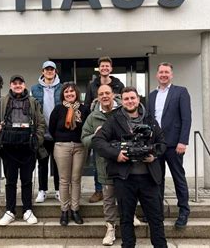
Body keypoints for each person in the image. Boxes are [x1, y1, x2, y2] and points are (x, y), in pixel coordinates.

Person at [93, 87, 167, 248]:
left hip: (149, 178)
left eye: (132, 98)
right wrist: (116, 154)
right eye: (126, 99)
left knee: (156, 218)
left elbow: (162, 143)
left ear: (138, 99)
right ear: (122, 101)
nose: (130, 101)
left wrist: (153, 154)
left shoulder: (150, 120)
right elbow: (98, 142)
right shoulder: (114, 120)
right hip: (125, 178)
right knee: (126, 218)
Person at [81, 85, 141, 246]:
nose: (105, 96)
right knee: (108, 198)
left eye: (107, 93)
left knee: (128, 193)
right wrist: (96, 135)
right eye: (101, 94)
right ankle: (110, 228)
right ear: (97, 97)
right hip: (104, 163)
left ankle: (131, 215)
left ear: (113, 94)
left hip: (125, 161)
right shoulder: (93, 117)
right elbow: (84, 139)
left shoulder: (124, 111)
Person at [0, 75, 46, 226]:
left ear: (24, 84)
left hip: (27, 147)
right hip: (8, 147)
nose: (17, 85)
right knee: (10, 181)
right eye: (14, 83)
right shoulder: (2, 101)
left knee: (27, 181)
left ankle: (28, 210)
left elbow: (41, 123)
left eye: (20, 83)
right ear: (10, 85)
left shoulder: (33, 101)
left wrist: (37, 140)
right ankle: (10, 211)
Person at [148, 62, 192, 229]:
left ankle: (183, 211)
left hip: (174, 144)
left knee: (178, 177)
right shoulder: (152, 95)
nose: (163, 75)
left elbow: (186, 118)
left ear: (171, 75)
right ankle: (156, 211)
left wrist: (183, 141)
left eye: (166, 72)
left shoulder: (181, 92)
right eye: (161, 72)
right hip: (156, 145)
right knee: (156, 180)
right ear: (157, 75)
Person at [49, 82, 91, 226]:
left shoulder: (84, 109)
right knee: (64, 180)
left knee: (76, 179)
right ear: (63, 95)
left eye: (72, 91)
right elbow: (52, 128)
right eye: (66, 92)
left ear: (76, 93)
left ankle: (75, 209)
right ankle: (64, 210)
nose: (69, 94)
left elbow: (88, 128)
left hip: (80, 147)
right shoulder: (58, 109)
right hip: (62, 147)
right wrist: (62, 141)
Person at [84, 56, 125, 203]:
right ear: (99, 69)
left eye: (107, 66)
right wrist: (91, 124)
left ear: (111, 68)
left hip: (115, 128)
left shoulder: (119, 84)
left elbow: (124, 104)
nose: (105, 68)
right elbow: (87, 104)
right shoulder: (92, 85)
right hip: (98, 125)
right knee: (98, 160)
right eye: (102, 66)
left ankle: (118, 187)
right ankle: (98, 190)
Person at [31, 60, 62, 203]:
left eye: (52, 69)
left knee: (58, 164)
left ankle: (58, 190)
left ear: (55, 72)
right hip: (42, 133)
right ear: (42, 72)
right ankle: (42, 191)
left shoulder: (62, 88)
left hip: (58, 133)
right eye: (46, 69)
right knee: (42, 163)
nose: (49, 71)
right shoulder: (34, 89)